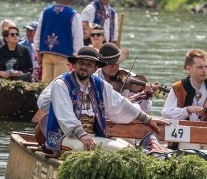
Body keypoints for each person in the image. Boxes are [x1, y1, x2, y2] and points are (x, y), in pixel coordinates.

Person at [36, 46, 167, 155]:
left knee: (130, 151)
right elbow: (65, 115)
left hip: (92, 137)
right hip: (64, 137)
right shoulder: (61, 84)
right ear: (74, 64)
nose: (84, 67)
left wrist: (147, 120)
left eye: (89, 64)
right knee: (116, 150)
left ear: (95, 68)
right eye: (81, 63)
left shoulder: (99, 85)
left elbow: (120, 104)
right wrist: (82, 135)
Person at [35, 0, 83, 84]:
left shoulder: (45, 12)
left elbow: (39, 32)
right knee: (60, 85)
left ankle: (45, 100)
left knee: (46, 85)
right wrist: (75, 56)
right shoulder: (74, 15)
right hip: (63, 54)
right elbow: (77, 39)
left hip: (47, 52)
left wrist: (38, 51)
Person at [161, 48, 207, 122]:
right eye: (200, 67)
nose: (204, 70)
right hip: (184, 130)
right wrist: (187, 110)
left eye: (206, 66)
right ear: (189, 69)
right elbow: (165, 114)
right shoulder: (178, 87)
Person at [97, 42, 155, 114]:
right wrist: (125, 103)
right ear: (102, 64)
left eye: (116, 62)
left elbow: (144, 110)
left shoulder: (130, 78)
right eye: (110, 63)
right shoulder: (95, 80)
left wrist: (145, 98)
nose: (114, 66)